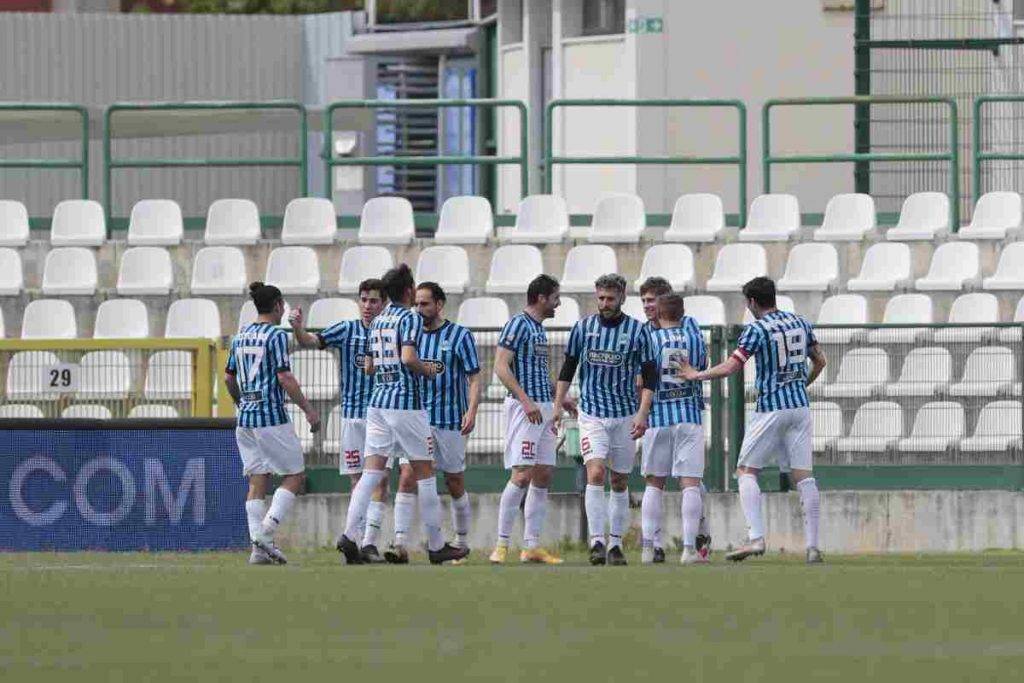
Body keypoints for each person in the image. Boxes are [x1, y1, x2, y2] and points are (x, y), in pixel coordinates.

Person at [678, 276, 827, 564]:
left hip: (771, 408)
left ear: (752, 302)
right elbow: (820, 360)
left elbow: (732, 366)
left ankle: (756, 538)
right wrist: (800, 385)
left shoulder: (757, 329)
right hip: (799, 407)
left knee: (746, 471)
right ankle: (813, 547)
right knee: (804, 476)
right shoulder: (800, 322)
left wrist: (697, 374)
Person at [336, 264, 468, 565]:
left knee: (371, 473)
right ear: (409, 291)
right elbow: (409, 357)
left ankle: (348, 535)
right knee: (424, 473)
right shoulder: (409, 317)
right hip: (406, 403)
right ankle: (436, 545)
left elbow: (368, 366)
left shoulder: (378, 320)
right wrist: (428, 370)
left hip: (377, 403)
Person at [552, 274, 658, 566]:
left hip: (625, 416)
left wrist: (643, 412)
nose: (605, 304)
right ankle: (597, 542)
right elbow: (568, 368)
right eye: (600, 298)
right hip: (592, 415)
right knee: (595, 473)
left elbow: (651, 375)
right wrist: (557, 405)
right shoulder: (583, 328)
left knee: (620, 480)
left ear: (622, 298)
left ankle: (615, 544)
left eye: (610, 298)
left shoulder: (638, 332)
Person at [289, 279, 390, 563]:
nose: (368, 306)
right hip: (352, 418)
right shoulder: (346, 330)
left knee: (381, 481)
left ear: (383, 304)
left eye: (373, 301)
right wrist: (298, 328)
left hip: (382, 416)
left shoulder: (392, 332)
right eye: (364, 300)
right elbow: (310, 341)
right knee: (358, 482)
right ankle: (354, 542)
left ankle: (369, 543)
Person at [385, 282, 482, 564]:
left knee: (454, 481)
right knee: (406, 476)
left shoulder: (460, 335)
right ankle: (399, 542)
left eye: (425, 304)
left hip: (450, 421)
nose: (419, 309)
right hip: (416, 419)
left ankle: (461, 542)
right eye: (416, 304)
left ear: (439, 305)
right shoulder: (408, 334)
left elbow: (474, 377)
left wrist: (472, 411)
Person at [225, 282, 321, 565]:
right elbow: (284, 377)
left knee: (258, 480)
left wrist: (241, 403)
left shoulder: (240, 336)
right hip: (270, 416)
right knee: (295, 475)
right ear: (278, 305)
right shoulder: (276, 336)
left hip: (245, 418)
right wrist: (309, 411)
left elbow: (229, 378)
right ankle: (266, 533)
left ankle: (257, 551)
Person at [489, 274, 569, 565]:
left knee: (544, 473)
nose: (558, 304)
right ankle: (501, 545)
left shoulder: (538, 330)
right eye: (556, 298)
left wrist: (559, 398)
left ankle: (531, 546)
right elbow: (500, 366)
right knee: (521, 474)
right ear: (541, 298)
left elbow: (535, 371)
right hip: (525, 411)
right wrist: (525, 400)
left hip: (543, 408)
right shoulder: (517, 324)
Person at [636, 276, 712, 562]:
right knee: (690, 483)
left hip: (657, 416)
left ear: (663, 305)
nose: (647, 306)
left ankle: (646, 547)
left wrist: (642, 410)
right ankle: (689, 548)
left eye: (651, 300)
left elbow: (640, 379)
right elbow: (702, 365)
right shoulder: (692, 333)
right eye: (643, 301)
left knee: (654, 483)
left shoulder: (648, 338)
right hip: (689, 414)